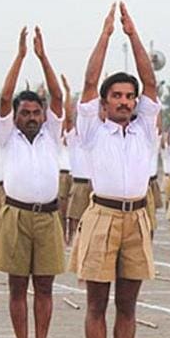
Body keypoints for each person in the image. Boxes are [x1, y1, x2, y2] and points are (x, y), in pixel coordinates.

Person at [70, 2, 160, 338]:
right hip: (102, 215)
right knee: (96, 303)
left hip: (137, 217)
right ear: (105, 103)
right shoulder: (93, 130)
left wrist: (134, 35)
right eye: (117, 96)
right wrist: (106, 36)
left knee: (128, 304)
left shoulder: (144, 130)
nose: (125, 102)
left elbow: (152, 84)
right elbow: (89, 83)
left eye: (129, 97)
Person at [0, 26, 64, 338]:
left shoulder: (52, 133)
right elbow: (5, 99)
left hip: (48, 216)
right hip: (16, 215)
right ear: (17, 116)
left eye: (37, 113)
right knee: (17, 285)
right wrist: (21, 57)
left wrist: (43, 56)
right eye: (26, 113)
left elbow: (58, 98)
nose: (32, 118)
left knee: (46, 286)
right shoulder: (7, 136)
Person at [63, 74, 93, 245]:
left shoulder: (96, 134)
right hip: (79, 184)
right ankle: (74, 245)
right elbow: (67, 118)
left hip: (95, 185)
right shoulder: (74, 138)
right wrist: (68, 93)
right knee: (75, 220)